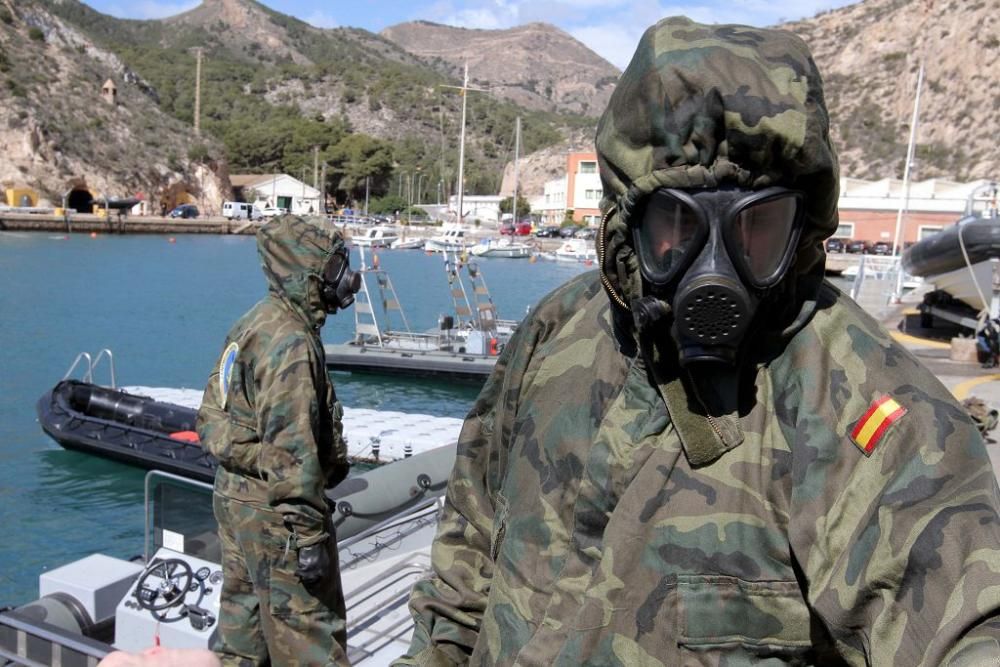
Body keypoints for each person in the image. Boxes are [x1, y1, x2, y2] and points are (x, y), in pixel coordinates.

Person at [396, 17, 1000, 666]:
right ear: (627, 220)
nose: (714, 270)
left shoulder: (860, 404)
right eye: (678, 223)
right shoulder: (556, 333)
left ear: (802, 233)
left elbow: (957, 610)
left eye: (756, 229)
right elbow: (466, 555)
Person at [196, 215, 361, 666]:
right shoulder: (290, 343)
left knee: (242, 632)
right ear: (304, 271)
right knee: (309, 638)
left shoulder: (255, 323)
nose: (345, 281)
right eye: (332, 270)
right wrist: (307, 536)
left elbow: (213, 415)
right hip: (277, 518)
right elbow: (293, 454)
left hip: (235, 500)